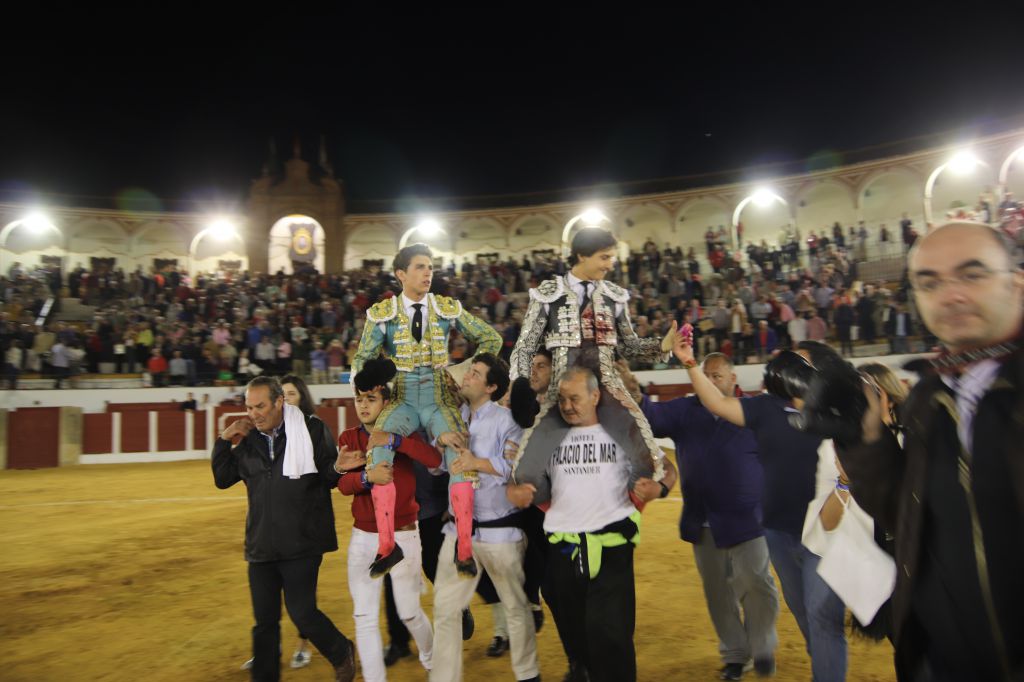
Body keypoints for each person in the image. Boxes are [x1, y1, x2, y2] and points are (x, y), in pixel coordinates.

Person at [837, 222, 1024, 681]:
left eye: (972, 274)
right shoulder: (928, 393)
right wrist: (866, 442)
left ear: (1016, 282)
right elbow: (906, 516)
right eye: (929, 282)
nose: (950, 295)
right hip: (942, 660)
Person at [673, 340, 846, 681]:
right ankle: (821, 661)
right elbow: (718, 403)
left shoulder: (835, 409)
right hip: (779, 533)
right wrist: (690, 363)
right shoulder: (766, 407)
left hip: (825, 533)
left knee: (823, 617)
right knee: (804, 613)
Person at [506, 366, 676, 682]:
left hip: (611, 547)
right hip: (563, 549)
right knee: (575, 633)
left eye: (575, 398)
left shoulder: (623, 431)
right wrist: (518, 490)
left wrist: (659, 488)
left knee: (611, 635)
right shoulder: (547, 436)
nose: (568, 406)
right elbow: (526, 481)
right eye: (563, 399)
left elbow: (667, 469)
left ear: (595, 396)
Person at [626, 353, 779, 680]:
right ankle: (736, 654)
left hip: (749, 519)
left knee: (757, 584)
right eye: (704, 375)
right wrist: (632, 388)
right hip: (703, 518)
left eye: (717, 376)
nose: (709, 381)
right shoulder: (686, 409)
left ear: (733, 379)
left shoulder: (755, 410)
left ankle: (762, 646)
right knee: (717, 593)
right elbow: (648, 416)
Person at [354, 243, 502, 578]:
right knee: (378, 450)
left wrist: (462, 372)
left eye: (431, 267)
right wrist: (371, 386)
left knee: (459, 457)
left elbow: (490, 339)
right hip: (403, 398)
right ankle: (387, 548)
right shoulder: (383, 313)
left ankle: (464, 550)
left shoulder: (446, 308)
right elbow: (362, 359)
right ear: (401, 274)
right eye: (421, 267)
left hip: (439, 398)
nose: (428, 273)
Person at [509, 227, 671, 504]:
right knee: (527, 473)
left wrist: (663, 346)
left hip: (607, 393)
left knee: (648, 463)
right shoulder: (549, 294)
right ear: (582, 255)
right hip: (562, 397)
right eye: (605, 257)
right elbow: (525, 345)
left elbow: (629, 345)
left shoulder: (614, 296)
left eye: (611, 258)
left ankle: (616, 513)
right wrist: (520, 384)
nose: (610, 264)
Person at [212, 376, 356, 682]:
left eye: (260, 406)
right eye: (249, 407)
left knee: (302, 612)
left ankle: (340, 650)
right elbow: (223, 477)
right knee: (264, 621)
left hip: (302, 539)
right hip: (261, 544)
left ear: (280, 402)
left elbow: (328, 476)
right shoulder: (249, 439)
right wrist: (225, 439)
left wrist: (339, 467)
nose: (253, 413)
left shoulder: (312, 429)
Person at [430, 353, 539, 682]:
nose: (467, 377)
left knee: (516, 608)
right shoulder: (453, 419)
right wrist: (439, 442)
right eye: (469, 372)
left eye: (475, 374)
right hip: (457, 531)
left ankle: (528, 674)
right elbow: (435, 467)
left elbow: (514, 469)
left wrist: (475, 462)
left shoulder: (507, 422)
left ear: (491, 386)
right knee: (445, 609)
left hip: (499, 531)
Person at [337, 359, 439, 681]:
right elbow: (341, 485)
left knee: (409, 613)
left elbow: (434, 459)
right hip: (363, 537)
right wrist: (362, 477)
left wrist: (395, 442)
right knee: (364, 616)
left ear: (386, 403)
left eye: (371, 399)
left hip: (405, 534)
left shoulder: (401, 431)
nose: (363, 405)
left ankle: (432, 659)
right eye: (359, 399)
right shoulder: (349, 437)